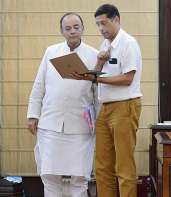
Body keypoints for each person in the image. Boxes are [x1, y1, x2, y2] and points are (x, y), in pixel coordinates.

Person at [72, 4, 142, 197]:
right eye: (97, 25)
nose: (101, 29)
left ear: (117, 20)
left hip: (125, 106)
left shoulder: (128, 43)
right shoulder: (105, 45)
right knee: (102, 166)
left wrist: (96, 78)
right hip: (105, 108)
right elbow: (98, 73)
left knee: (124, 166)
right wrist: (99, 63)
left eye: (104, 23)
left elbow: (128, 79)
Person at [27, 12, 98, 197]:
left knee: (80, 177)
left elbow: (98, 94)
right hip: (50, 123)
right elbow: (39, 85)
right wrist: (33, 114)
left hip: (81, 126)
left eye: (76, 27)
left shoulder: (94, 55)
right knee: (49, 175)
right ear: (61, 31)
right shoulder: (51, 51)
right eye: (68, 28)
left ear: (83, 29)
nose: (72, 31)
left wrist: (99, 122)